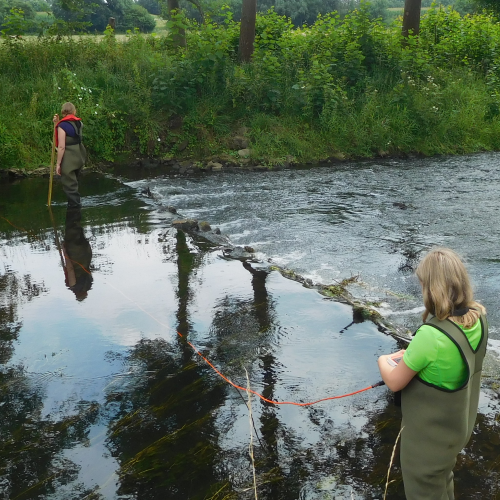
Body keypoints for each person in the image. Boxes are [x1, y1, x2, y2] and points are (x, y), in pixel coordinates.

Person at [377, 247, 488, 500]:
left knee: (424, 489)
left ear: (431, 288)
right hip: (457, 432)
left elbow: (394, 381)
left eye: (423, 284)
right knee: (442, 481)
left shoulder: (431, 335)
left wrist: (383, 359)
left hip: (428, 443)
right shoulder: (479, 316)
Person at [52, 102, 87, 208]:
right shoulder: (79, 123)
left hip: (69, 157)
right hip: (80, 155)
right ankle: (75, 205)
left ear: (63, 112)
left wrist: (58, 164)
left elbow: (61, 147)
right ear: (74, 112)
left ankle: (75, 208)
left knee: (69, 185)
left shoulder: (62, 126)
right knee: (73, 183)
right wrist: (57, 123)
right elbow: (71, 130)